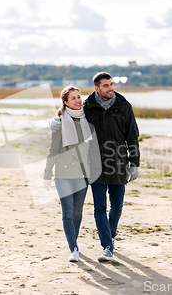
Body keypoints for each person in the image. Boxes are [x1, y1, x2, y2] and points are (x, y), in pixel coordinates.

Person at [50, 72, 140, 262]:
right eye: (106, 86)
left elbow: (132, 136)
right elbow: (71, 115)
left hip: (118, 164)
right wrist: (55, 121)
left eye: (112, 84)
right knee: (100, 208)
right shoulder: (88, 107)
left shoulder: (124, 106)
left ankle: (110, 235)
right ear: (97, 88)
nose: (111, 88)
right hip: (95, 166)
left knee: (117, 207)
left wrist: (135, 164)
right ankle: (107, 247)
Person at [43, 85, 98, 262]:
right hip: (62, 174)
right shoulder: (59, 123)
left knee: (77, 212)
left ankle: (74, 241)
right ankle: (73, 247)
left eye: (78, 96)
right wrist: (46, 174)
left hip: (82, 174)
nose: (77, 100)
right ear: (65, 102)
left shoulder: (87, 120)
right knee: (67, 212)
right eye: (73, 98)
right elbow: (53, 150)